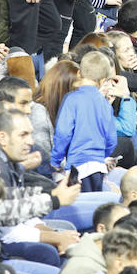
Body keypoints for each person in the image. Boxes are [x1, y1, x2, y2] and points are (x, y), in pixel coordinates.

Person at [50, 52, 118, 191]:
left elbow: (63, 133)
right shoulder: (105, 103)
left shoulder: (71, 99)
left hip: (77, 166)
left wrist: (55, 160)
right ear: (103, 79)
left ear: (79, 73)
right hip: (98, 167)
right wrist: (101, 155)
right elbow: (111, 139)